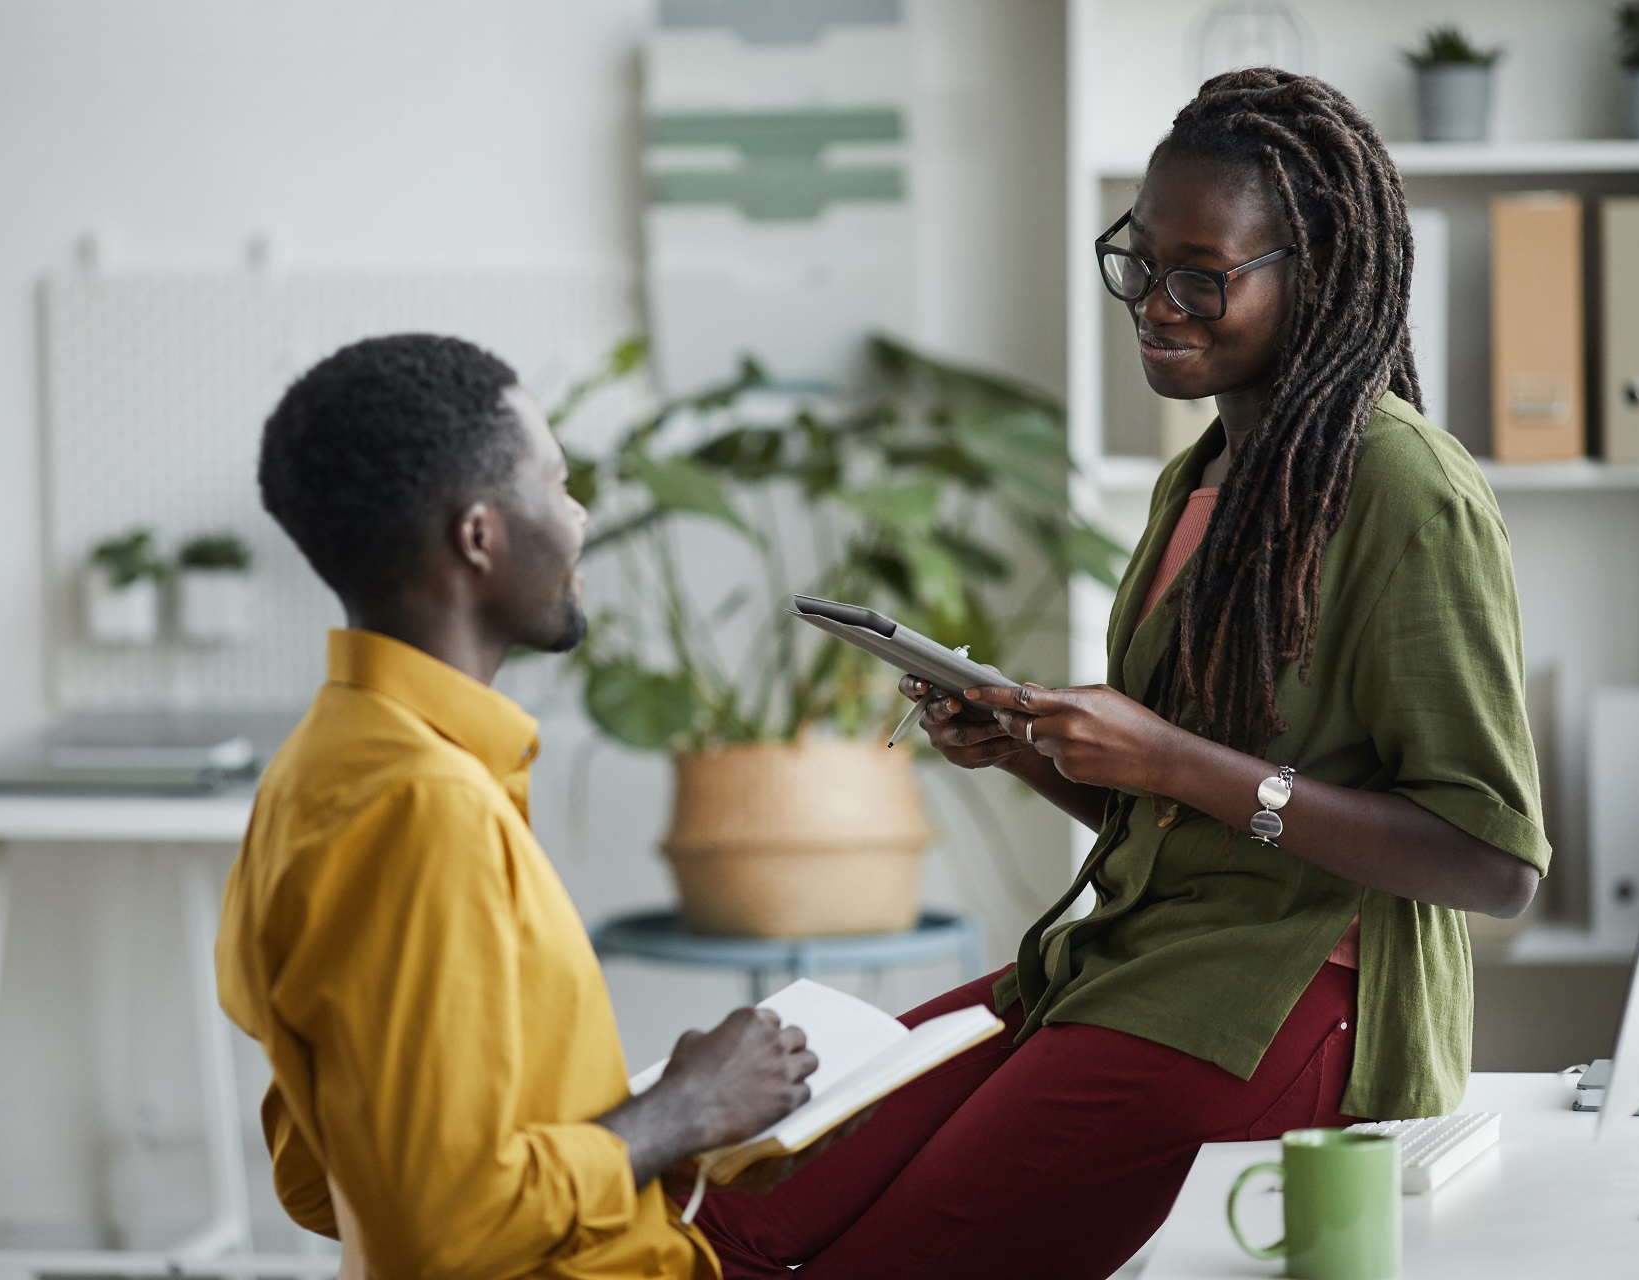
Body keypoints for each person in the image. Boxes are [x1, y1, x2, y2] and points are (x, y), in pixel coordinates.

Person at [695, 68, 1548, 1279]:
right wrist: (1038, 749)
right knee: (744, 1205)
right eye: (1141, 261)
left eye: (1204, 274)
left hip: (1283, 998)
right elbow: (1175, 818)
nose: (1156, 302)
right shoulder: (1200, 476)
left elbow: (1493, 857)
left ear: (1312, 273)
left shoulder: (1406, 488)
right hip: (1127, 953)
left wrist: (1168, 756)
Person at [216, 333, 829, 1279]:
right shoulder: (425, 810)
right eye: (557, 483)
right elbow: (439, 1223)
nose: (580, 519)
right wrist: (684, 1111)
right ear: (479, 533)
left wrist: (663, 1120)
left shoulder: (317, 767)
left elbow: (316, 1180)